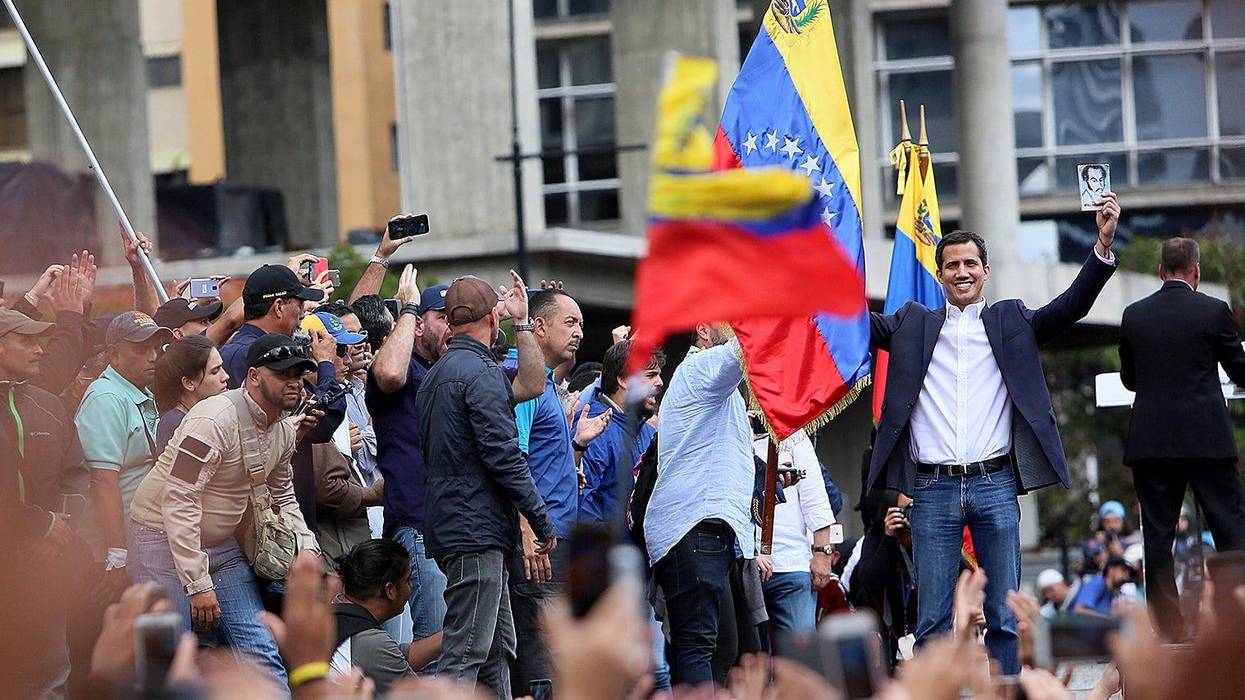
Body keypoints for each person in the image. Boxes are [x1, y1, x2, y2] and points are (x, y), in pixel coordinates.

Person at [866, 194, 1121, 676]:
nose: (961, 272)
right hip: (931, 490)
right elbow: (853, 324)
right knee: (933, 621)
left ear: (985, 271)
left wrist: (1102, 245)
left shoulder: (1012, 321)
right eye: (951, 265)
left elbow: (1070, 307)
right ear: (939, 275)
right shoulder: (912, 324)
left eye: (970, 264)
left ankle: (1007, 691)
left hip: (996, 487)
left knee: (1004, 614)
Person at [126, 333, 322, 688]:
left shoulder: (281, 430)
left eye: (300, 373)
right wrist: (197, 582)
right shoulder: (214, 417)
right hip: (160, 539)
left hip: (220, 547)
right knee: (168, 665)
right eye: (283, 373)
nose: (294, 382)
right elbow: (180, 497)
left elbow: (283, 496)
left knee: (261, 651)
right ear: (253, 377)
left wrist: (307, 548)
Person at [415, 274, 557, 698]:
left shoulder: (437, 375)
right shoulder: (480, 373)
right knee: (467, 651)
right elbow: (504, 457)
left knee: (495, 649)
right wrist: (541, 519)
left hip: (458, 526)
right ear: (493, 319)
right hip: (474, 529)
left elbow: (531, 384)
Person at [1119, 236, 1245, 641]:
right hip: (1207, 440)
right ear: (1196, 271)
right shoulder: (1213, 311)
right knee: (1231, 530)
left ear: (1160, 272)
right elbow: (1240, 371)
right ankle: (1234, 620)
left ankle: (1171, 632)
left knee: (1158, 536)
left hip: (1152, 443)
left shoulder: (1134, 315)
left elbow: (1129, 378)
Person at [509, 287, 614, 692]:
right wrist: (526, 527)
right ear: (538, 326)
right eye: (570, 322)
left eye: (581, 325)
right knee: (542, 662)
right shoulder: (524, 379)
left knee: (559, 658)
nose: (579, 333)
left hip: (558, 536)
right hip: (539, 541)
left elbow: (539, 458)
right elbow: (513, 460)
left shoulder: (549, 385)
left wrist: (574, 450)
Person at [643, 322, 754, 686]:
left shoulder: (716, 385)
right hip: (696, 528)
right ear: (704, 329)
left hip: (703, 530)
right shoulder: (700, 368)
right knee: (699, 647)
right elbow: (744, 350)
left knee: (715, 648)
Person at [0, 308, 89, 699]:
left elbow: (76, 475)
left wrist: (60, 529)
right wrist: (39, 525)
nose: (39, 350)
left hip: (44, 569)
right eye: (26, 340)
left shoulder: (48, 405)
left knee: (52, 675)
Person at [75, 311, 173, 598]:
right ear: (114, 355)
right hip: (110, 554)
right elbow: (103, 482)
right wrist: (116, 556)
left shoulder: (138, 390)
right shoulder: (106, 399)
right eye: (141, 349)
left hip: (141, 542)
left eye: (156, 348)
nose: (153, 356)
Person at [330, 539, 443, 695]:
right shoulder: (371, 642)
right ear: (390, 590)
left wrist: (452, 635)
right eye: (408, 581)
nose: (411, 588)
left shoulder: (338, 617)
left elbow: (394, 656)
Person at [753, 431, 838, 634]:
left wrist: (822, 554)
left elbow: (816, 499)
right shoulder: (730, 422)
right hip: (745, 563)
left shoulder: (792, 433)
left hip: (791, 564)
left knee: (802, 656)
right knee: (751, 660)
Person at [577, 339, 663, 527]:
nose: (659, 382)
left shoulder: (648, 433)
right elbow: (582, 501)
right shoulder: (594, 427)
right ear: (623, 379)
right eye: (650, 375)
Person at [219, 264, 325, 387]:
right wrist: (325, 362)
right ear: (279, 307)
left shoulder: (248, 348)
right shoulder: (248, 353)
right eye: (300, 305)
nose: (302, 313)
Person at [152, 335, 230, 456]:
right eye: (215, 371)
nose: (225, 376)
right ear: (189, 383)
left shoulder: (211, 412)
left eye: (222, 367)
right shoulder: (173, 423)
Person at [1070, 557, 1135, 617]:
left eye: (1128, 573)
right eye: (1123, 570)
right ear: (1111, 569)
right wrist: (1108, 620)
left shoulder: (1113, 592)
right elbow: (1079, 610)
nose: (1126, 576)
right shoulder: (1097, 582)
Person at [154, 297, 224, 340]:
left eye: (209, 321)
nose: (211, 326)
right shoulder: (185, 362)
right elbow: (231, 320)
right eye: (203, 322)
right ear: (179, 334)